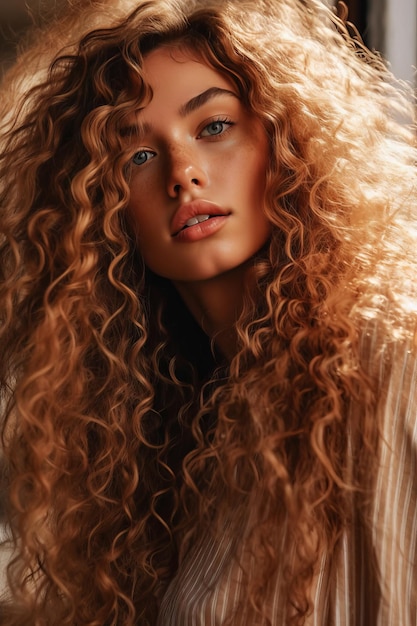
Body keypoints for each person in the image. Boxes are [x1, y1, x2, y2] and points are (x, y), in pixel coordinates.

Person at [0, 0, 416, 624]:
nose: (183, 175)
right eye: (137, 156)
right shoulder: (172, 434)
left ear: (285, 139)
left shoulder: (391, 364)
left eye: (213, 127)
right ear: (105, 213)